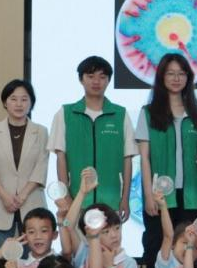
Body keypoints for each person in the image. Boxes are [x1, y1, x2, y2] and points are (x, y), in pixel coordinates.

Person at [138, 53, 197, 268]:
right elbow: (144, 158)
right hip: (160, 195)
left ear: (188, 78)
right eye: (170, 73)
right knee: (156, 245)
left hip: (190, 194)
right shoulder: (148, 113)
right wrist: (149, 195)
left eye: (181, 73)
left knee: (190, 246)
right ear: (161, 77)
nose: (176, 78)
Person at [49, 55, 137, 219]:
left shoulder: (120, 114)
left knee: (111, 237)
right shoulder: (65, 113)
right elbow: (61, 157)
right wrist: (66, 196)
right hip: (77, 201)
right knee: (72, 237)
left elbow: (127, 160)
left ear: (109, 81)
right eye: (90, 76)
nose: (96, 81)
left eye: (102, 77)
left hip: (111, 202)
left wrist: (125, 198)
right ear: (81, 79)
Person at [0, 79, 49, 250]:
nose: (19, 104)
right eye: (13, 99)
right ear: (5, 102)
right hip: (0, 204)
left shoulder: (41, 131)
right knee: (2, 259)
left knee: (32, 259)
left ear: (31, 103)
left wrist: (23, 195)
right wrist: (4, 196)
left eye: (24, 99)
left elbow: (41, 167)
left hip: (31, 202)